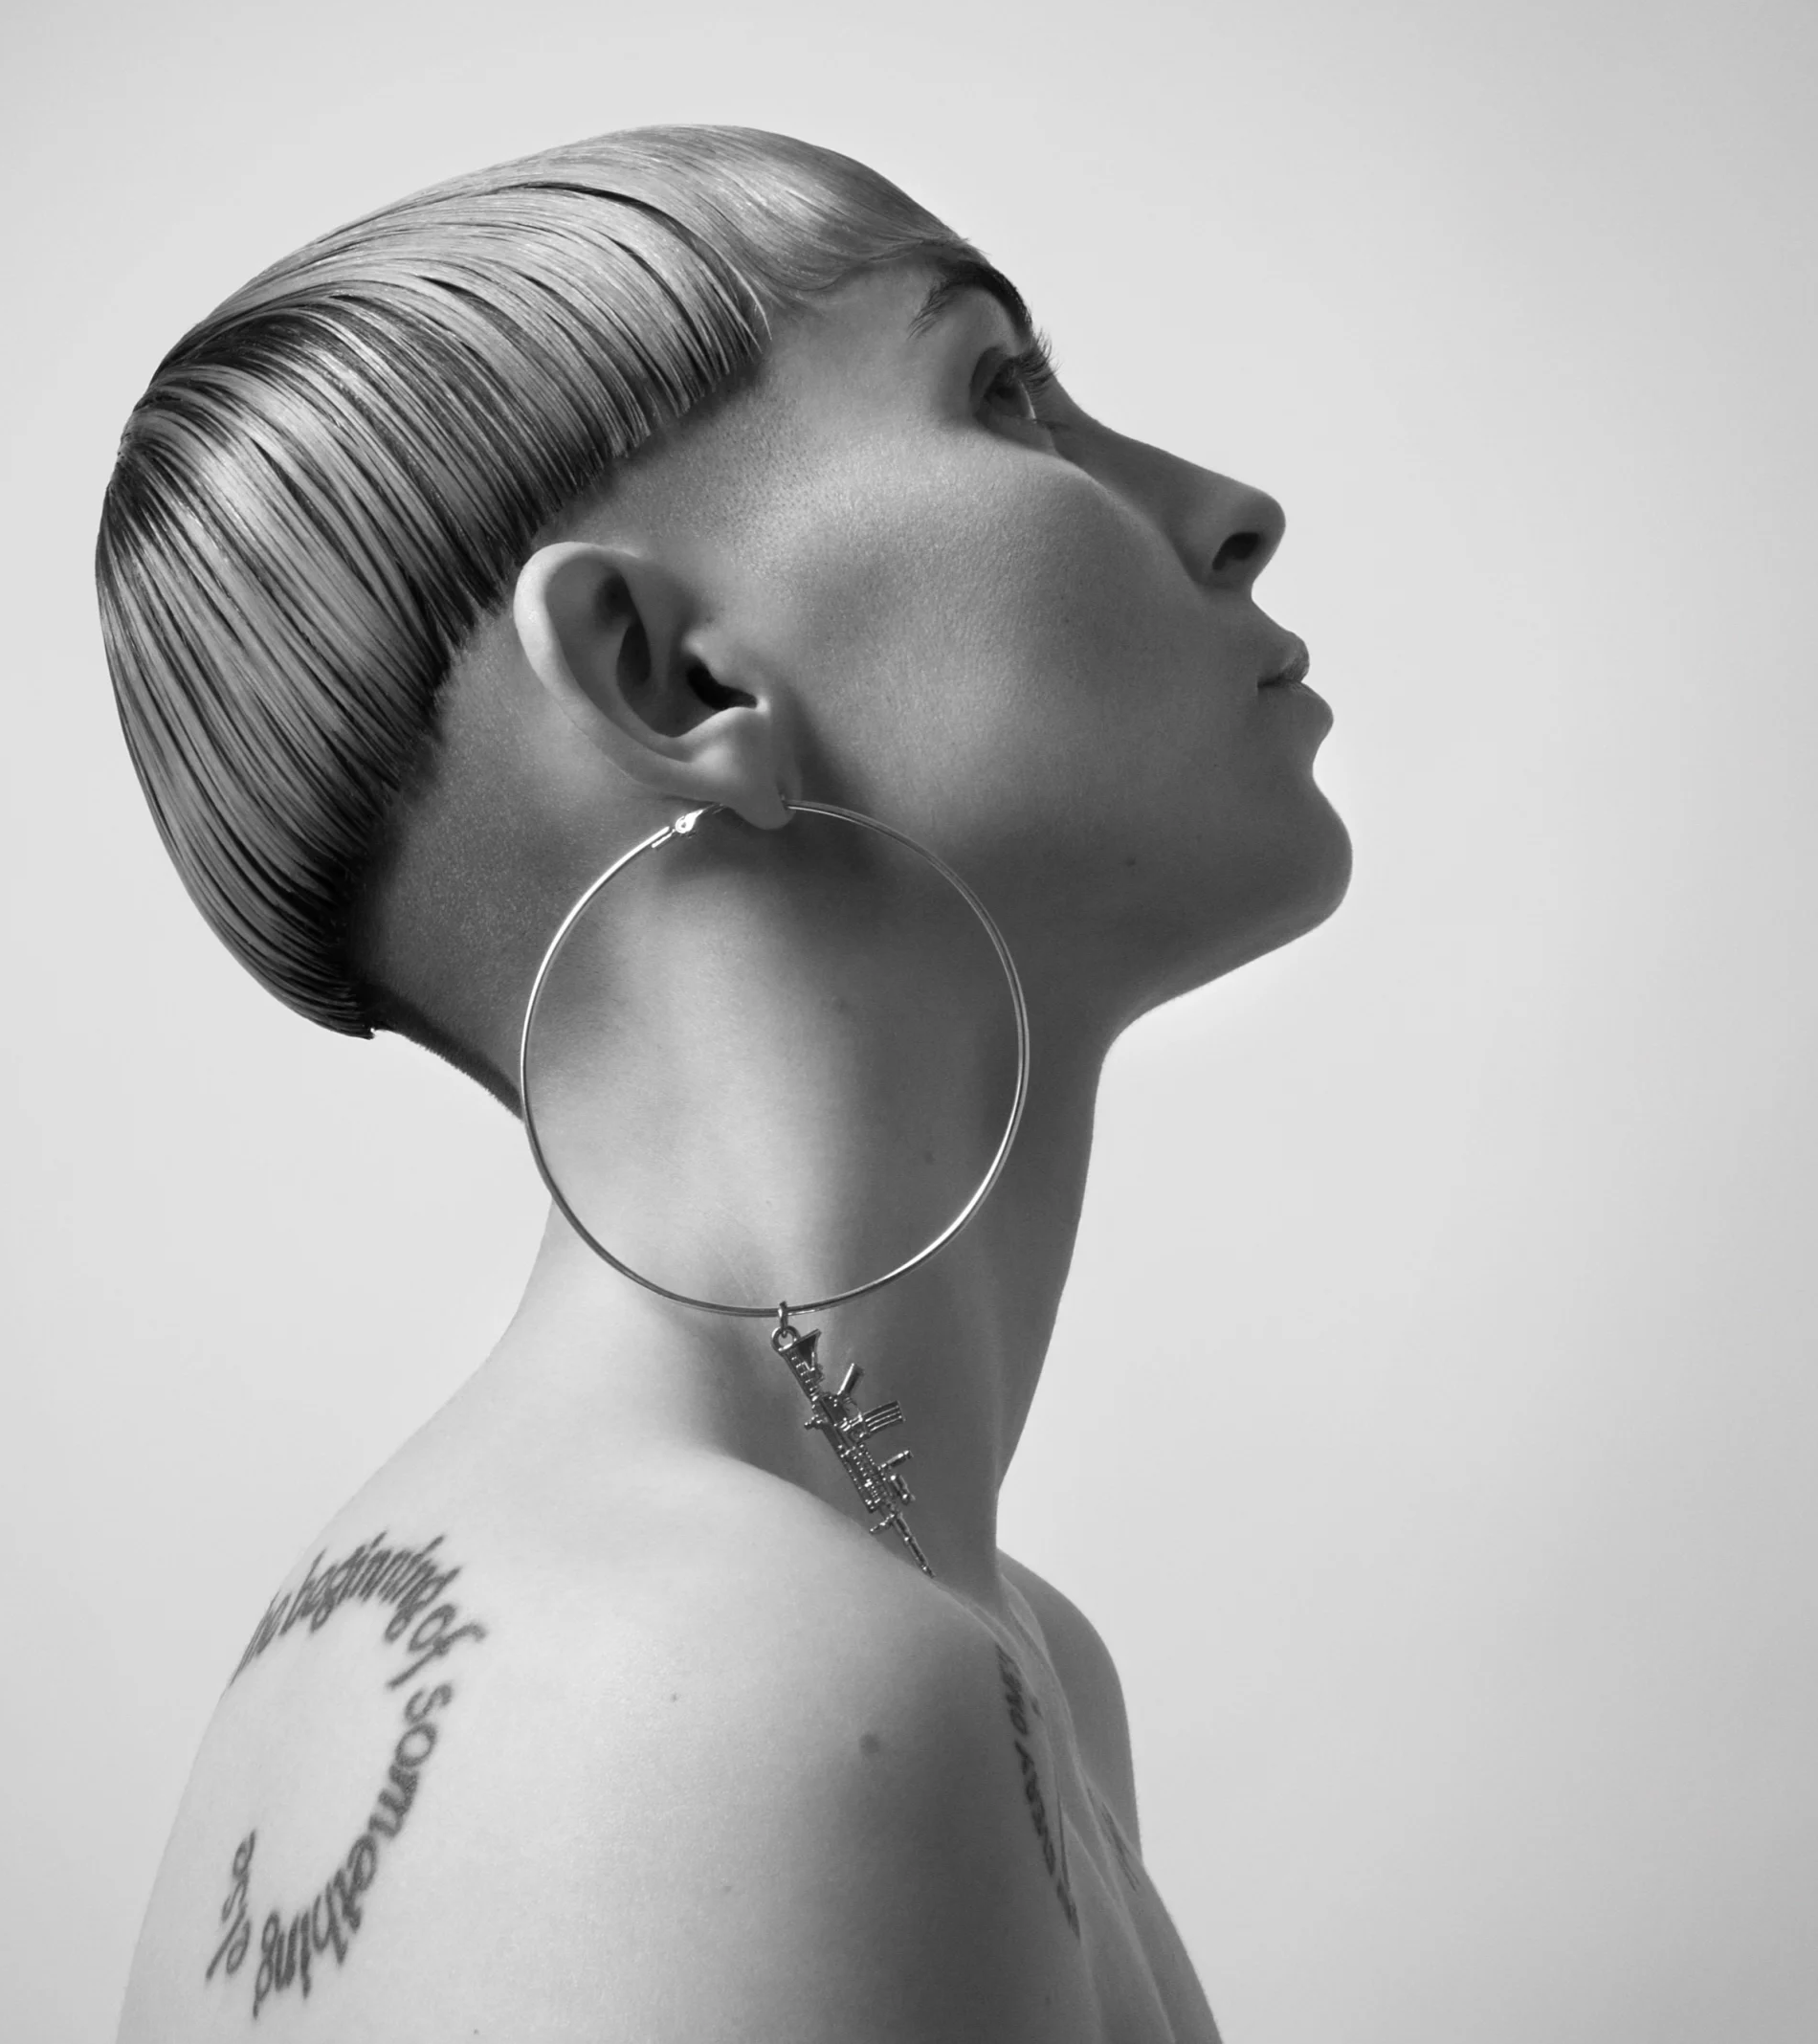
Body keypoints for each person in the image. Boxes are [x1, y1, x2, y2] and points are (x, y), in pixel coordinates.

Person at [95, 125, 1348, 2042]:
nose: (1232, 512)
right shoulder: (742, 1687)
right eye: (998, 391)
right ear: (669, 677)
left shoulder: (973, 1660)